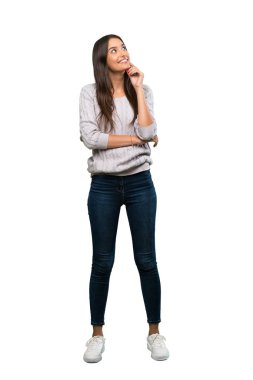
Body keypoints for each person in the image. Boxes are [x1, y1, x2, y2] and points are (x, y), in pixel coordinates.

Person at [79, 34, 169, 363]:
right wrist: (138, 138)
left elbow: (148, 131)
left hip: (140, 184)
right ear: (102, 60)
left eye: (123, 47)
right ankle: (96, 335)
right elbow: (91, 138)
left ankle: (154, 332)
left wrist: (139, 86)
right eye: (112, 50)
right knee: (102, 262)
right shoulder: (90, 93)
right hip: (103, 186)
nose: (121, 53)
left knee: (147, 260)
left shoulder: (142, 90)